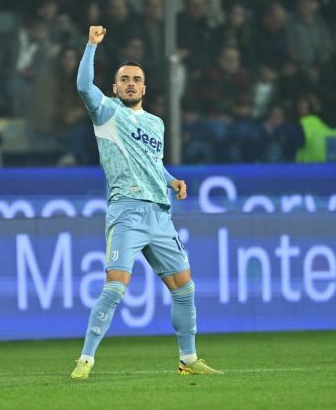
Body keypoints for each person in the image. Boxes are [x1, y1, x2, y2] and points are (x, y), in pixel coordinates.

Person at [70, 25, 222, 380]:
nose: (130, 84)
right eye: (124, 79)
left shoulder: (156, 124)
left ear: (144, 88)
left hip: (160, 215)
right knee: (115, 286)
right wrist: (91, 45)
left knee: (184, 288)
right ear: (114, 88)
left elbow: (153, 163)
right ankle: (86, 359)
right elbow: (83, 86)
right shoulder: (106, 112)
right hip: (127, 211)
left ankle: (188, 359)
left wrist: (172, 180)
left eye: (136, 80)